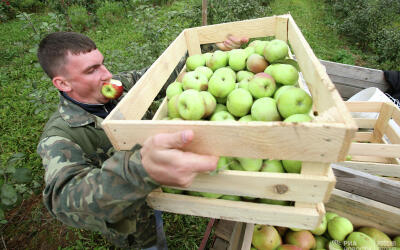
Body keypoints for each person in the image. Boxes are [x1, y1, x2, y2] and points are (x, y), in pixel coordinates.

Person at [36, 31, 248, 249]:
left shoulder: (118, 86)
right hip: (134, 221)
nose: (107, 74)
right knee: (153, 244)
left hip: (160, 188)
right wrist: (140, 169)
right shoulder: (60, 136)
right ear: (63, 84)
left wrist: (215, 52)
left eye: (102, 64)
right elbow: (63, 200)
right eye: (91, 70)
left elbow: (159, 77)